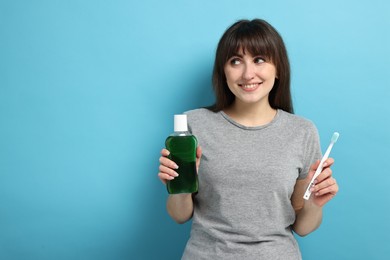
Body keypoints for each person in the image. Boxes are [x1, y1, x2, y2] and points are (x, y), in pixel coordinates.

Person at [158, 19, 339, 260]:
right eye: (235, 61)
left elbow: (303, 227)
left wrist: (315, 204)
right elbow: (179, 215)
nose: (247, 73)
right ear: (223, 71)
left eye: (259, 60)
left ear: (279, 69)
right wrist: (178, 185)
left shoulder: (302, 131)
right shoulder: (194, 124)